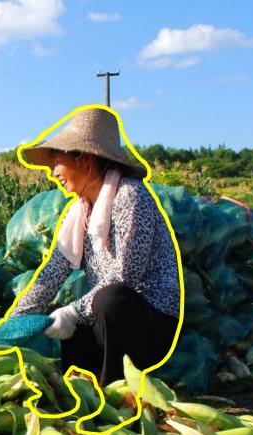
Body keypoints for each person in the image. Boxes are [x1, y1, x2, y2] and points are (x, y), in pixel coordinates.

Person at [12, 107, 181, 385]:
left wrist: (75, 312)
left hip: (149, 318)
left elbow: (125, 276)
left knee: (107, 299)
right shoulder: (79, 212)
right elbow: (51, 273)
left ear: (85, 158)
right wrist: (17, 320)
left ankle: (116, 394)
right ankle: (86, 394)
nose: (53, 172)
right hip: (109, 316)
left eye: (57, 161)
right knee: (76, 321)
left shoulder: (130, 196)